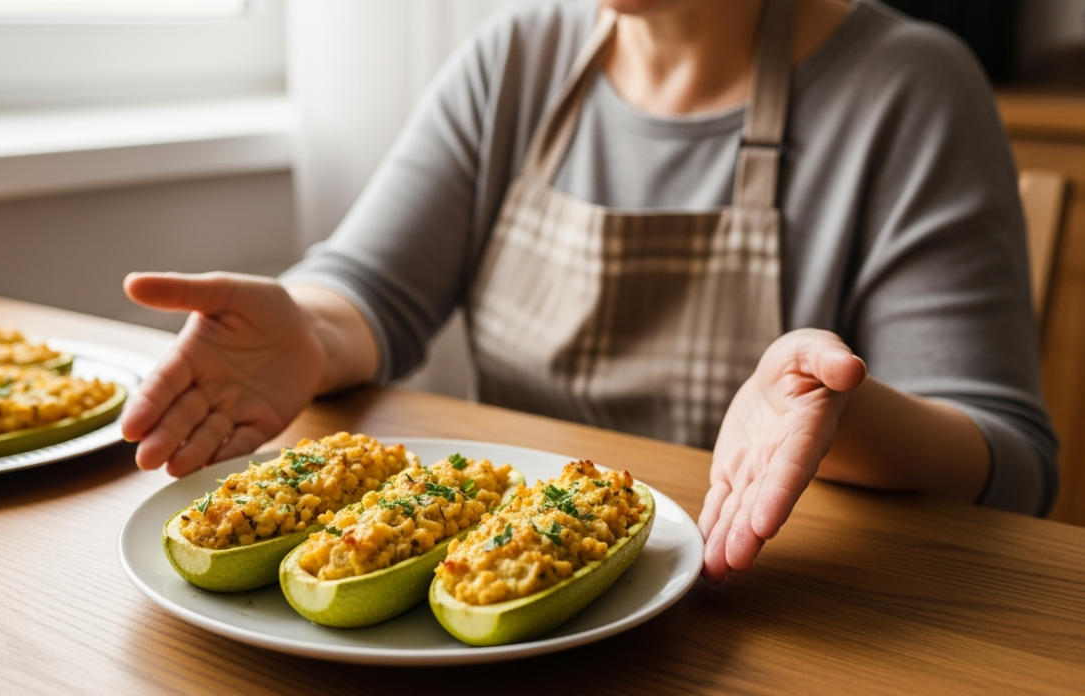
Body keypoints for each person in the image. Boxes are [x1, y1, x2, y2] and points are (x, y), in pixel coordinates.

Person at [120, 0, 1058, 583]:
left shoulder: (910, 88)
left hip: (772, 616)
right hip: (513, 600)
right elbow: (370, 290)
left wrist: (836, 408)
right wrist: (311, 332)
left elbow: (1009, 461)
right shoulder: (514, 60)